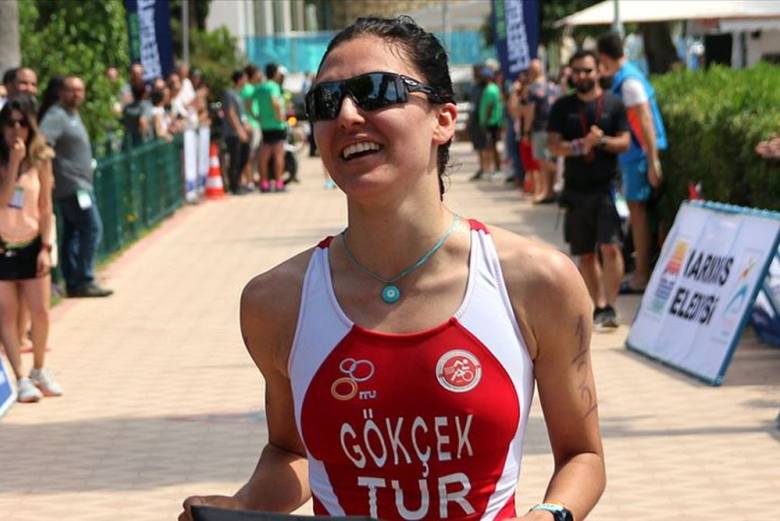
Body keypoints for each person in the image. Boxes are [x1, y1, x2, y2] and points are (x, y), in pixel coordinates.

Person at [180, 16, 605, 521]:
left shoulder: (537, 282)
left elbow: (583, 455)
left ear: (443, 119)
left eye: (376, 91)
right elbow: (292, 452)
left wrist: (549, 515)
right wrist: (242, 504)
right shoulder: (275, 301)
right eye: (325, 101)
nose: (346, 115)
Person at [547, 50, 631, 328]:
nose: (582, 76)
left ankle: (611, 305)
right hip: (576, 190)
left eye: (587, 70)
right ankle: (598, 305)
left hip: (607, 188)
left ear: (599, 71)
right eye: (577, 71)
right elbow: (553, 145)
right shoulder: (562, 107)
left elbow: (625, 142)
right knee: (585, 253)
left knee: (611, 247)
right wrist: (580, 146)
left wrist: (601, 141)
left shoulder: (614, 104)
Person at [0, 95, 62, 403]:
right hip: (3, 245)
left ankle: (39, 369)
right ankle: (20, 377)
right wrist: (13, 163)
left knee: (40, 312)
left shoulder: (42, 158)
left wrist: (45, 247)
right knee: (7, 314)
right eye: (10, 123)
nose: (16, 130)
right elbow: (2, 201)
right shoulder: (3, 161)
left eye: (22, 123)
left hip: (33, 242)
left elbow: (45, 206)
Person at [597, 32, 668, 294]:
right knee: (639, 214)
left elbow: (645, 119)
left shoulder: (628, 82)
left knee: (638, 215)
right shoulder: (629, 76)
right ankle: (641, 272)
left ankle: (641, 276)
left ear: (604, 58)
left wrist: (652, 160)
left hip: (638, 156)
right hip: (637, 155)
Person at [39, 76, 113, 298]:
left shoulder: (73, 114)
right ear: (61, 92)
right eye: (71, 90)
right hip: (73, 186)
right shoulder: (56, 116)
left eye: (80, 90)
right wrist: (50, 173)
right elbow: (42, 143)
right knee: (92, 228)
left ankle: (73, 281)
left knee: (73, 232)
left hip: (80, 184)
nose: (76, 94)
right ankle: (84, 279)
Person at [523, 59, 559, 204]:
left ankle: (547, 191)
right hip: (554, 128)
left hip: (539, 128)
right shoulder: (553, 87)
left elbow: (530, 111)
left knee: (542, 162)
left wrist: (526, 131)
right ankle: (550, 191)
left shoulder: (532, 89)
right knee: (549, 159)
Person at [253, 63, 287, 193]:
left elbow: (250, 102)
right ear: (274, 73)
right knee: (278, 155)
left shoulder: (260, 87)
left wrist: (255, 115)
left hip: (264, 125)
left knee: (264, 156)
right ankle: (279, 183)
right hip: (276, 125)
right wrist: (280, 117)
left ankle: (264, 183)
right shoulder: (274, 86)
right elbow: (275, 102)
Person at [223, 69, 251, 195]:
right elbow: (231, 113)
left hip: (241, 132)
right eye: (245, 78)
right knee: (235, 159)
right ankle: (234, 186)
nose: (246, 81)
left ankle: (238, 182)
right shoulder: (229, 94)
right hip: (232, 134)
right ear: (239, 79)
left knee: (244, 156)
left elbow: (241, 115)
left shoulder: (239, 94)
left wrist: (245, 125)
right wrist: (239, 130)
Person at [478, 67, 503, 179]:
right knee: (492, 146)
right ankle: (495, 168)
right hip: (492, 122)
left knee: (492, 146)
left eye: (483, 77)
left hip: (491, 122)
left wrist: (485, 121)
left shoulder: (490, 89)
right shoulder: (493, 88)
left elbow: (490, 106)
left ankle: (497, 169)